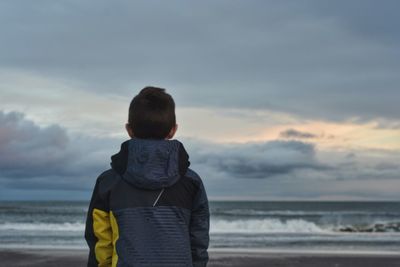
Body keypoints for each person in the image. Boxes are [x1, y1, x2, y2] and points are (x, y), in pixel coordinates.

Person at [85, 87, 210, 267]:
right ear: (173, 130)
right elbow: (198, 242)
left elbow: (100, 242)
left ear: (129, 129)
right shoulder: (192, 182)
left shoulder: (108, 182)